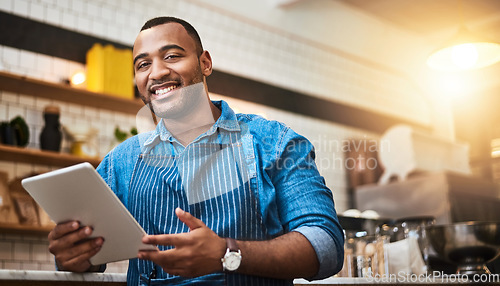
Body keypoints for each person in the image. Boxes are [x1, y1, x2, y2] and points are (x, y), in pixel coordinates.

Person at [47, 16, 344, 285]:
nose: (157, 72)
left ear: (205, 63)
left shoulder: (275, 143)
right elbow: (88, 261)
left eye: (172, 56)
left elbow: (327, 246)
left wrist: (227, 254)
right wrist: (71, 256)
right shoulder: (120, 163)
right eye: (143, 64)